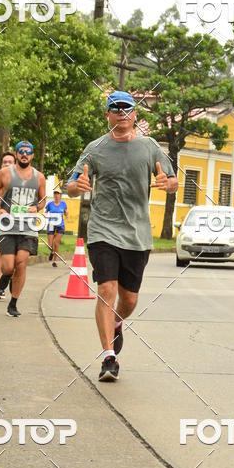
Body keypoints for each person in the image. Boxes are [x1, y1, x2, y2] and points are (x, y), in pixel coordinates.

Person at [67, 91, 178, 382]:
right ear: (108, 115)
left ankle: (115, 323)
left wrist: (169, 184)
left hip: (137, 235)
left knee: (128, 300)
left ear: (135, 115)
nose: (122, 114)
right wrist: (77, 187)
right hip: (103, 230)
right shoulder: (95, 149)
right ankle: (108, 358)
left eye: (127, 109)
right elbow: (71, 185)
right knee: (107, 289)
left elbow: (173, 181)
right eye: (115, 109)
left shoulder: (150, 147)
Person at [0, 140, 45, 317]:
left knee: (21, 262)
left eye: (28, 152)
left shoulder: (39, 177)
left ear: (32, 155)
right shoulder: (5, 173)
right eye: (21, 151)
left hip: (27, 226)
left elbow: (43, 200)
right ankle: (5, 279)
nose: (25, 154)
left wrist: (37, 207)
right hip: (7, 225)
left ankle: (13, 303)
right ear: (17, 154)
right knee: (8, 267)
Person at [0, 152, 16, 287]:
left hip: (17, 224)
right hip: (0, 223)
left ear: (15, 164)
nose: (6, 164)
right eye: (4, 162)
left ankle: (11, 278)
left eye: (10, 162)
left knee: (13, 257)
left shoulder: (21, 181)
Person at [45, 188, 68, 267]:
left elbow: (65, 212)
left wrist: (66, 213)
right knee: (50, 244)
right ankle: (51, 252)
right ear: (54, 195)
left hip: (60, 226)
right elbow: (45, 212)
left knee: (56, 243)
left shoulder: (63, 204)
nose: (56, 195)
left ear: (60, 195)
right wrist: (45, 216)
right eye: (55, 194)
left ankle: (54, 261)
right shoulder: (50, 204)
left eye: (58, 194)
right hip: (51, 225)